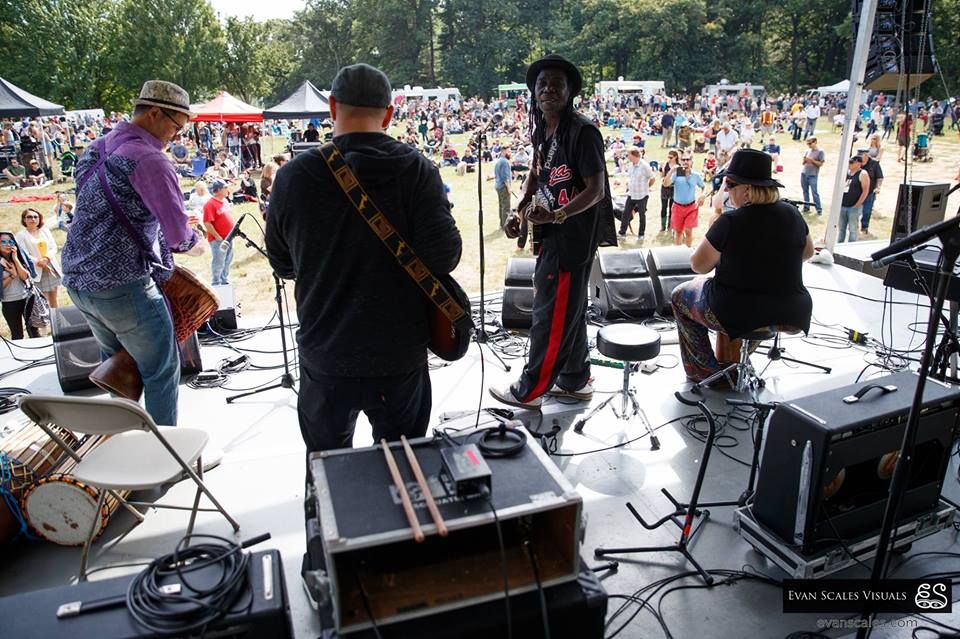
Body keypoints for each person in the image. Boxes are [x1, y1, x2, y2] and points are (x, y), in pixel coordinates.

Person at [266, 62, 462, 453]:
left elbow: (282, 263)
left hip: (326, 355)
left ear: (332, 106)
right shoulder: (418, 170)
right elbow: (445, 256)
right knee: (404, 468)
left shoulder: (293, 176)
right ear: (389, 113)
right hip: (398, 355)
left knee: (328, 469)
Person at [60, 80, 207, 427]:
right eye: (176, 125)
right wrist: (196, 240)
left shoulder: (96, 148)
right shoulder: (149, 159)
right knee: (161, 370)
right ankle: (162, 462)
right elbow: (178, 237)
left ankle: (126, 445)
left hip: (79, 281)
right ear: (155, 113)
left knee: (119, 367)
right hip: (123, 284)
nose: (176, 135)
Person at [491, 54, 615, 409]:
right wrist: (521, 210)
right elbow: (537, 172)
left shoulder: (583, 132)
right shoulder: (542, 129)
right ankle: (575, 380)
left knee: (551, 314)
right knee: (567, 309)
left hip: (572, 239)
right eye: (541, 84)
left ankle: (530, 390)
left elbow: (596, 191)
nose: (547, 89)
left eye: (555, 84)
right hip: (551, 234)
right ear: (533, 91)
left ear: (570, 91)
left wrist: (558, 215)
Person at [671, 149, 813, 383]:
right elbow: (806, 253)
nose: (725, 190)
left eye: (729, 184)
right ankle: (736, 363)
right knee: (735, 301)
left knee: (681, 296)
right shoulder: (792, 213)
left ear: (747, 189)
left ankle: (706, 371)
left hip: (738, 311)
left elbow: (698, 266)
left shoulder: (730, 221)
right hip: (791, 311)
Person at [15, 208, 60, 308]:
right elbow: (23, 254)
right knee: (42, 301)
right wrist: (39, 262)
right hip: (36, 270)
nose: (33, 219)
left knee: (54, 298)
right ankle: (46, 322)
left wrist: (46, 258)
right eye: (29, 217)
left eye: (36, 217)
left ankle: (57, 321)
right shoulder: (20, 235)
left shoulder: (45, 230)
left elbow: (53, 247)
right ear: (24, 220)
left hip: (50, 267)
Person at [0, 231, 40, 340]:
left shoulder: (20, 256)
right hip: (9, 303)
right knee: (17, 335)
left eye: (10, 241)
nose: (8, 244)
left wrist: (16, 259)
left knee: (34, 332)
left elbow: (25, 277)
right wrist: (12, 276)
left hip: (27, 299)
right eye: (3, 242)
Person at [618, 146, 654, 242]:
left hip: (642, 195)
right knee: (625, 213)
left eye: (628, 155)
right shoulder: (631, 165)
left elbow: (652, 178)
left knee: (642, 216)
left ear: (634, 155)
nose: (627, 157)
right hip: (631, 194)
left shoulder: (644, 166)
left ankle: (641, 235)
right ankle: (622, 232)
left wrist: (647, 187)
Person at [203, 180, 235, 286]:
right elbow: (207, 222)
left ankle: (224, 279)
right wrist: (217, 236)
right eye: (225, 188)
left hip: (229, 237)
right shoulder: (210, 204)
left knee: (228, 259)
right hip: (219, 240)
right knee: (219, 261)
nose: (227, 190)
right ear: (219, 190)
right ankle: (216, 282)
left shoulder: (224, 201)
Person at [670, 154, 705, 247]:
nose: (685, 161)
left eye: (688, 160)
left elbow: (703, 186)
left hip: (691, 207)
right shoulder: (677, 174)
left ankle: (688, 251)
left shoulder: (695, 175)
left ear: (691, 162)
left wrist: (703, 195)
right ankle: (678, 252)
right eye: (683, 160)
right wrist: (671, 171)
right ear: (680, 162)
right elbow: (666, 184)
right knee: (678, 232)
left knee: (688, 230)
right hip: (677, 206)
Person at [838, 155, 870, 243]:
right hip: (843, 205)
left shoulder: (862, 174)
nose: (849, 164)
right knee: (841, 228)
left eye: (851, 163)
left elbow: (865, 190)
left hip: (853, 206)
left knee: (853, 229)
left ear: (858, 163)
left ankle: (850, 246)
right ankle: (839, 245)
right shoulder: (847, 173)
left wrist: (858, 204)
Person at [857, 147, 884, 236]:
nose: (860, 157)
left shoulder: (874, 164)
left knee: (867, 211)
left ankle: (864, 227)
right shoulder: (857, 163)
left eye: (861, 155)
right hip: (857, 192)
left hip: (869, 192)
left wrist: (878, 187)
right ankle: (854, 227)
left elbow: (879, 177)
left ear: (866, 155)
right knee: (855, 210)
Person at [800, 137, 824, 215]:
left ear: (815, 142)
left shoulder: (820, 152)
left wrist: (812, 160)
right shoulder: (807, 151)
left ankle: (818, 209)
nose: (809, 145)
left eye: (810, 143)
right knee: (805, 191)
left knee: (814, 192)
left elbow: (820, 164)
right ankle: (806, 206)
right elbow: (803, 163)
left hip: (813, 175)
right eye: (808, 143)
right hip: (804, 173)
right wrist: (804, 160)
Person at [490, 145, 512, 227]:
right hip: (503, 187)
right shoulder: (504, 162)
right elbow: (505, 177)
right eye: (508, 151)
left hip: (498, 186)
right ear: (503, 151)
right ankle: (505, 225)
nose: (510, 153)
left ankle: (502, 223)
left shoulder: (499, 160)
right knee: (506, 207)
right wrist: (509, 188)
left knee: (501, 205)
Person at [660, 149, 680, 232]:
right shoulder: (665, 164)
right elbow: (662, 176)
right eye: (668, 157)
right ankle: (663, 225)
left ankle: (670, 226)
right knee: (664, 207)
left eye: (671, 157)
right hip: (665, 188)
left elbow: (680, 179)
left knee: (672, 208)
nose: (669, 159)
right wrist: (661, 169)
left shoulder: (679, 166)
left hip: (674, 188)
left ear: (675, 157)